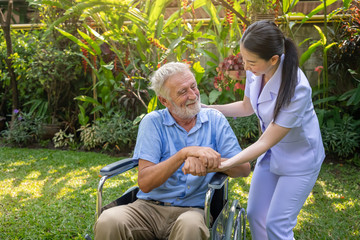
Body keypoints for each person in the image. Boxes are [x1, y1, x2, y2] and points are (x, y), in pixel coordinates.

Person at [94, 62, 251, 240]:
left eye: (193, 86)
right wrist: (183, 154)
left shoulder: (215, 120)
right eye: (183, 92)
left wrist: (205, 163)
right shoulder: (152, 122)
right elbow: (145, 182)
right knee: (109, 220)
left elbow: (244, 168)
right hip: (148, 209)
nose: (193, 95)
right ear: (164, 101)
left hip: (193, 210)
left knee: (190, 226)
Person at [202, 20, 325, 240]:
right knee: (256, 214)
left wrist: (227, 163)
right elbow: (246, 107)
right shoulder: (257, 70)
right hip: (271, 154)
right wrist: (207, 109)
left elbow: (264, 142)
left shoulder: (298, 88)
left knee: (277, 225)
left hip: (300, 160)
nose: (246, 67)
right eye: (243, 59)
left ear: (274, 59)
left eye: (251, 62)